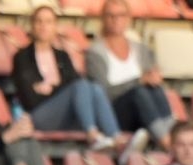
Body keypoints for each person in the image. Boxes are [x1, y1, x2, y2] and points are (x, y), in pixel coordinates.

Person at [12, 4, 121, 152]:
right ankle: (92, 135)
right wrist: (60, 88)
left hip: (65, 114)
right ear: (32, 25)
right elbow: (29, 97)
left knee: (94, 87)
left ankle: (117, 138)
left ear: (55, 27)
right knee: (81, 86)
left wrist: (52, 87)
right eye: (39, 21)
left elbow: (73, 83)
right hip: (39, 114)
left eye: (48, 22)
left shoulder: (62, 56)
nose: (43, 26)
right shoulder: (22, 58)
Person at [88, 0, 176, 163]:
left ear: (128, 18)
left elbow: (149, 81)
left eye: (121, 15)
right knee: (138, 92)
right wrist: (138, 81)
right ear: (103, 18)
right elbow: (101, 94)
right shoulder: (95, 52)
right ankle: (169, 145)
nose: (116, 20)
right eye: (111, 15)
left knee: (155, 89)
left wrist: (153, 77)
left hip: (143, 113)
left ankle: (174, 137)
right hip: (114, 113)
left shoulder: (140, 49)